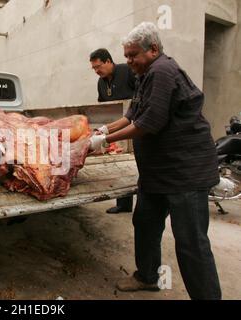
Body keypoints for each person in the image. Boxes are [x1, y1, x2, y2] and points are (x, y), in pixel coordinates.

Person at [90, 22, 222, 300]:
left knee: (191, 243)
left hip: (185, 171)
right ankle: (148, 276)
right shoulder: (145, 74)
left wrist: (105, 142)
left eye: (132, 55)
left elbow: (148, 123)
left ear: (153, 49)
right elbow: (133, 114)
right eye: (125, 56)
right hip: (157, 172)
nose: (128, 61)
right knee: (146, 222)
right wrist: (104, 130)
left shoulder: (163, 71)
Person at [90, 48, 136, 215]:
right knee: (119, 163)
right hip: (114, 125)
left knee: (134, 163)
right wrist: (103, 129)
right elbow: (102, 105)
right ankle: (123, 203)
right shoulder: (101, 82)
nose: (97, 71)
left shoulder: (127, 71)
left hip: (133, 123)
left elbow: (139, 96)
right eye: (93, 68)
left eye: (98, 66)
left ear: (108, 61)